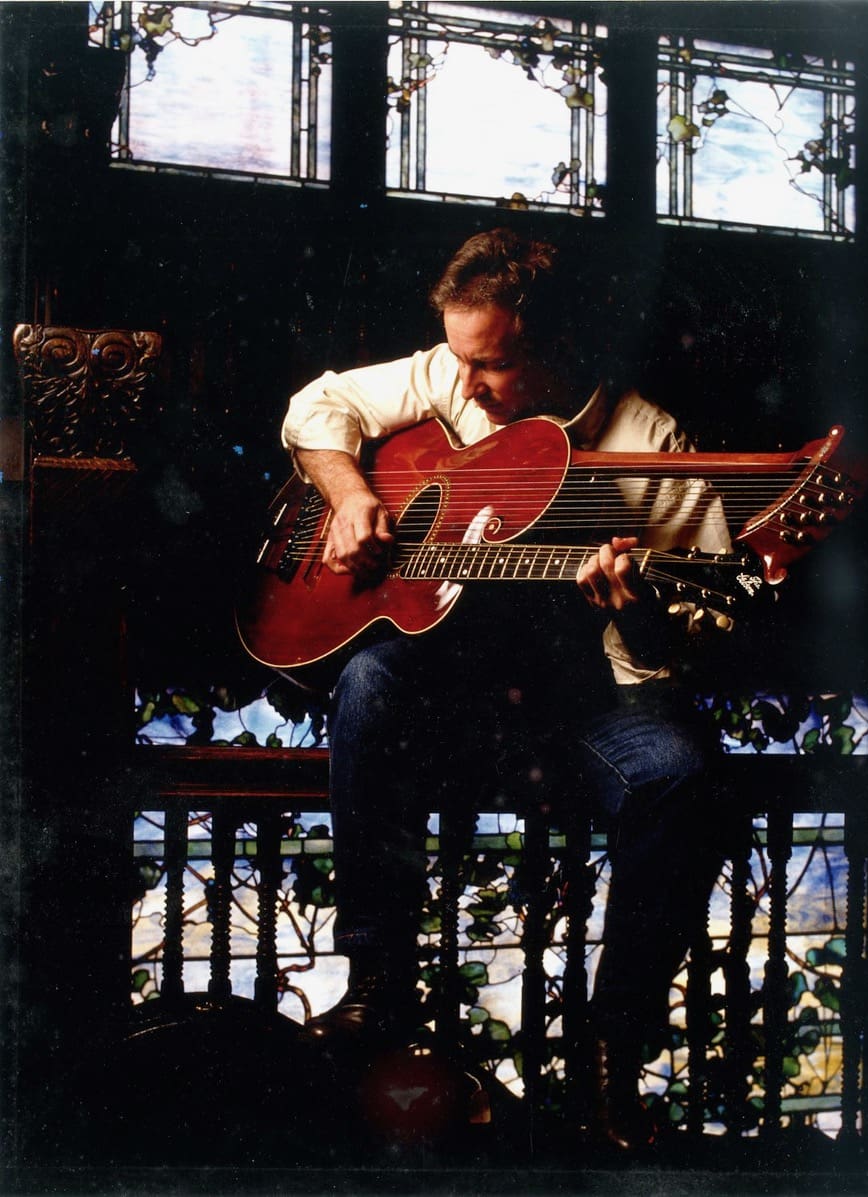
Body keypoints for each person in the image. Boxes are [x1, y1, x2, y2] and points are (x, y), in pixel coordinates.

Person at [280, 228, 731, 1150]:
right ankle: (375, 986)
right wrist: (350, 494)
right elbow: (317, 406)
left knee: (680, 771)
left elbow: (699, 643)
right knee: (369, 676)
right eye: (460, 359)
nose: (467, 383)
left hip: (590, 707)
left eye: (492, 366)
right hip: (462, 694)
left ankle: (612, 1051)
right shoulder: (455, 373)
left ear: (559, 345)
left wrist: (640, 612)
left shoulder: (650, 447)